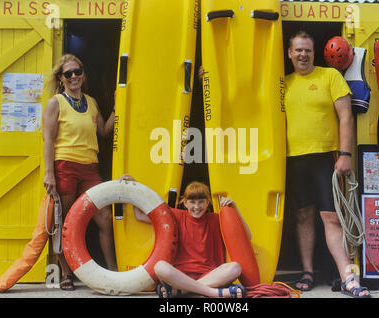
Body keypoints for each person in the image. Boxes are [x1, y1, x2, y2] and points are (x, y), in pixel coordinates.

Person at [284, 31, 370, 298]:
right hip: (294, 158)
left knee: (331, 217)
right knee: (302, 216)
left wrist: (345, 154)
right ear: (289, 53)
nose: (303, 54)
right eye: (298, 50)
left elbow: (346, 116)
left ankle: (348, 278)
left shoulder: (329, 76)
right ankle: (307, 272)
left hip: (326, 157)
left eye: (307, 50)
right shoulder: (281, 83)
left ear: (314, 52)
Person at [42, 54, 117, 290]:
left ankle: (114, 271)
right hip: (65, 166)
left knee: (104, 218)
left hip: (90, 168)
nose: (74, 76)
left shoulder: (91, 102)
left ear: (83, 74)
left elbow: (104, 131)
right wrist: (50, 173)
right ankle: (66, 273)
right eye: (68, 73)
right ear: (61, 78)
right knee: (63, 221)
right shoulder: (56, 102)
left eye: (78, 71)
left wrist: (118, 107)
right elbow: (47, 140)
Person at [119, 175, 248, 298]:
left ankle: (181, 292)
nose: (196, 207)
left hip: (210, 275)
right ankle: (212, 293)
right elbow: (140, 216)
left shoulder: (217, 219)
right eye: (192, 202)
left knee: (235, 267)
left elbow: (246, 236)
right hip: (180, 276)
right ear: (185, 203)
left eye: (201, 202)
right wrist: (133, 186)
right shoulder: (176, 216)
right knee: (160, 267)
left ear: (208, 202)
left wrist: (234, 209)